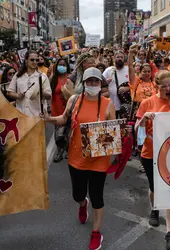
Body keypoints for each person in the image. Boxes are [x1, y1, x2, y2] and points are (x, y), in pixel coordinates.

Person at [44, 67, 116, 250]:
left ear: (101, 83)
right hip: (77, 158)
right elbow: (63, 119)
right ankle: (82, 204)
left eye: (96, 81)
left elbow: (113, 133)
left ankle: (96, 233)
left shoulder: (108, 104)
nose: (93, 84)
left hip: (99, 160)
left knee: (97, 197)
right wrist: (47, 118)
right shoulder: (75, 100)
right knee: (78, 194)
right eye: (89, 81)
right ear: (83, 84)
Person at [135, 70, 170, 250]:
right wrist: (144, 119)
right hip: (150, 153)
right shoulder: (147, 103)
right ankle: (155, 208)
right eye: (164, 86)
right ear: (157, 86)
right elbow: (137, 131)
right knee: (155, 187)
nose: (168, 89)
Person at [7, 51, 52, 117]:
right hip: (21, 115)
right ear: (26, 61)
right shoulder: (17, 75)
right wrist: (17, 95)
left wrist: (40, 92)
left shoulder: (42, 76)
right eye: (32, 60)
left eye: (37, 60)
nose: (35, 62)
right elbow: (9, 92)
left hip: (37, 116)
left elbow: (49, 96)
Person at [49, 58, 71, 162]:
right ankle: (59, 152)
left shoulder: (70, 78)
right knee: (58, 132)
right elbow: (49, 94)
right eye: (60, 64)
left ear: (67, 66)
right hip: (56, 110)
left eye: (63, 64)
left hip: (69, 110)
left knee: (69, 131)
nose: (61, 66)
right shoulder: (53, 79)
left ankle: (68, 151)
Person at [103, 50, 129, 116]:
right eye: (118, 57)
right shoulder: (108, 70)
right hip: (111, 103)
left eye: (121, 57)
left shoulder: (128, 70)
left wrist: (127, 88)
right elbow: (101, 83)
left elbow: (134, 85)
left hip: (124, 104)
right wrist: (106, 82)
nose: (120, 59)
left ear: (124, 59)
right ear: (114, 58)